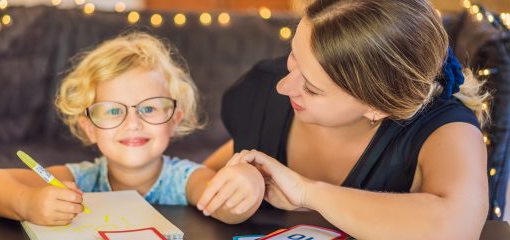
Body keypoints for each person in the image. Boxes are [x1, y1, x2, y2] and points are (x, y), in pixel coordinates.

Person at [199, 0, 490, 239]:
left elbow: (456, 228)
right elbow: (206, 173)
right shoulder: (266, 93)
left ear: (377, 107)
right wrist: (244, 182)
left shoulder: (446, 130)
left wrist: (307, 192)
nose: (283, 86)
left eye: (311, 89)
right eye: (293, 56)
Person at [0, 32, 264, 225]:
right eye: (112, 111)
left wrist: (249, 183)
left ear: (174, 120)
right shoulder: (81, 180)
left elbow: (229, 209)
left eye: (148, 108)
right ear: (89, 128)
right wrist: (29, 203)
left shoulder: (186, 179)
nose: (132, 123)